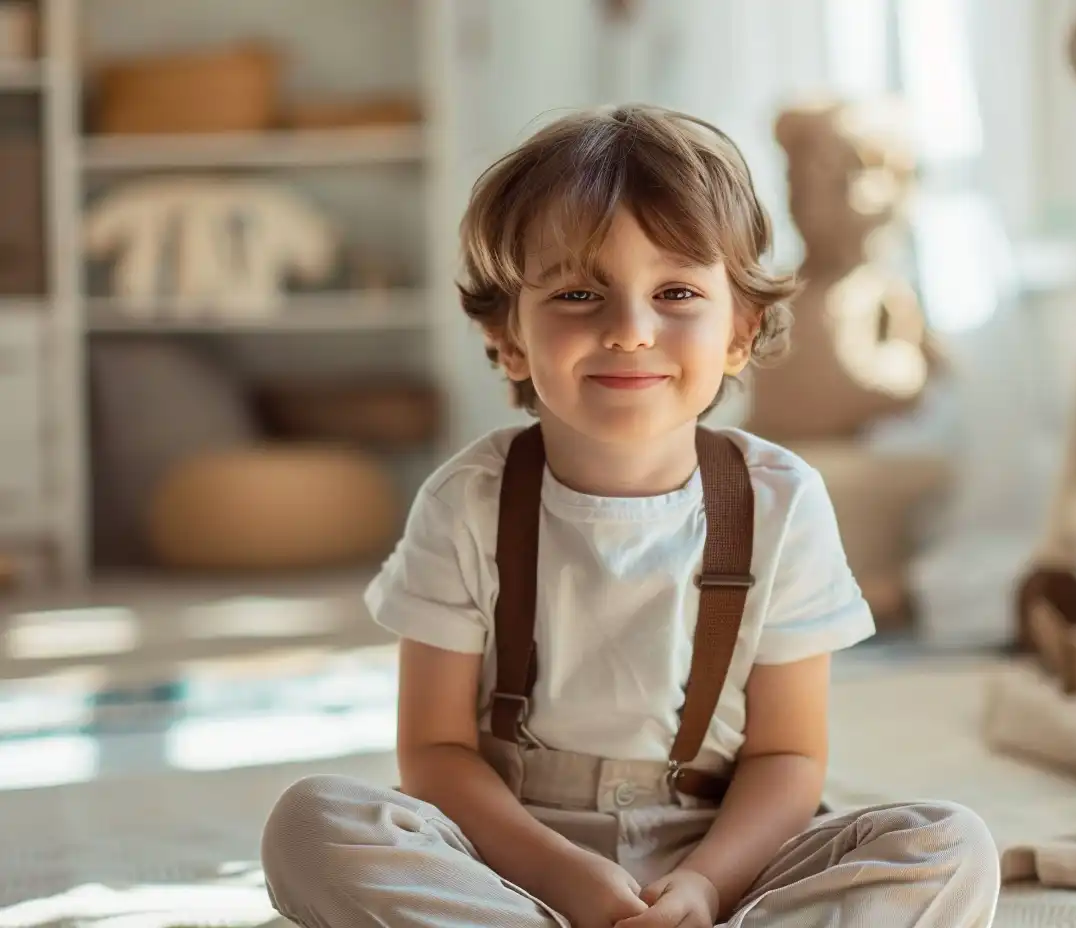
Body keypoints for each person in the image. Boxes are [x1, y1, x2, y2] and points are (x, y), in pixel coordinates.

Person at [260, 104, 1000, 928]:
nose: (629, 331)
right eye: (579, 292)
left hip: (719, 852)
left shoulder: (781, 501)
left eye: (677, 291)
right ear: (509, 335)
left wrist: (707, 887)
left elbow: (788, 757)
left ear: (740, 332)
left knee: (948, 845)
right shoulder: (465, 500)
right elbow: (434, 755)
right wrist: (565, 875)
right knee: (312, 823)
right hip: (507, 859)